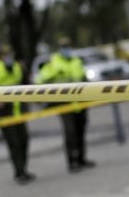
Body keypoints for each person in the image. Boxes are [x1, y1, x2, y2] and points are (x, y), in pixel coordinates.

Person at [0, 45, 35, 183]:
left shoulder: (17, 67)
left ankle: (24, 170)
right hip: (4, 113)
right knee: (13, 143)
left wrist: (24, 70)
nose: (8, 57)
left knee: (24, 140)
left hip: (18, 111)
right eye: (5, 55)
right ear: (0, 57)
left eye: (10, 54)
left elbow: (25, 84)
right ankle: (19, 173)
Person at [38, 37, 94, 172]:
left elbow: (83, 78)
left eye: (68, 46)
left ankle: (81, 158)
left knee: (81, 129)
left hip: (80, 102)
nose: (67, 49)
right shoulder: (53, 63)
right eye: (64, 47)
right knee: (70, 132)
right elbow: (40, 79)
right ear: (60, 49)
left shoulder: (76, 61)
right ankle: (72, 161)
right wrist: (54, 75)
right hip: (64, 103)